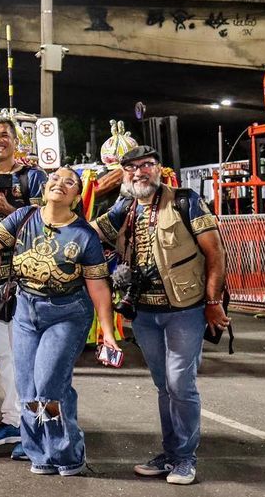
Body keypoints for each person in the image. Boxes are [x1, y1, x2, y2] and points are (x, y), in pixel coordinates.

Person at [0, 166, 117, 476]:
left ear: (76, 196)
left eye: (69, 182)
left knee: (49, 385)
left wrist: (108, 332)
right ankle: (39, 453)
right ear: (46, 187)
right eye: (55, 178)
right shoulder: (24, 217)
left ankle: (67, 454)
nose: (60, 183)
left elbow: (98, 287)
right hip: (26, 311)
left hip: (66, 314)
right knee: (27, 388)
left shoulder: (84, 235)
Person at [92, 145, 229, 485]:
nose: (139, 172)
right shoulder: (123, 207)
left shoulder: (185, 201)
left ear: (158, 168)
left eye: (146, 165)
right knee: (164, 386)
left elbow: (215, 253)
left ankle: (185, 459)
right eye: (131, 167)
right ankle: (170, 454)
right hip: (143, 312)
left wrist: (213, 302)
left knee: (180, 383)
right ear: (123, 173)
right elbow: (86, 234)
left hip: (185, 309)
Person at [0, 117, 47, 450]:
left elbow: (50, 224)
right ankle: (13, 420)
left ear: (16, 141)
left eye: (4, 134)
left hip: (28, 282)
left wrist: (10, 209)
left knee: (30, 357)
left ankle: (36, 427)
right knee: (6, 355)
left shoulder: (34, 178)